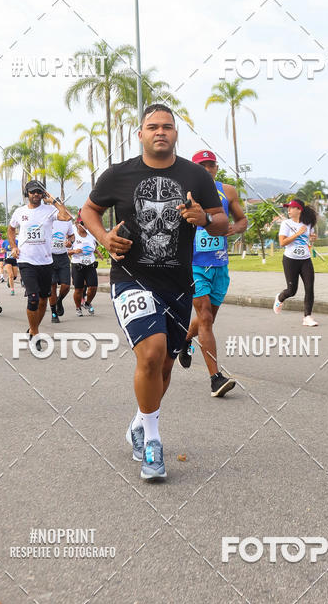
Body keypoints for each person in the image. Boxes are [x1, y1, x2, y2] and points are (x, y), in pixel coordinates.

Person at [81, 103, 227, 481]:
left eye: (167, 127)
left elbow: (224, 221)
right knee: (152, 352)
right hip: (131, 277)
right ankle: (153, 442)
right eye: (153, 127)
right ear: (141, 134)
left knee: (163, 366)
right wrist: (104, 238)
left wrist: (206, 219)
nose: (160, 132)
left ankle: (139, 423)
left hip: (178, 283)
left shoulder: (196, 175)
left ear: (175, 134)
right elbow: (88, 211)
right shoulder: (118, 175)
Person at [178, 149, 247, 397]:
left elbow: (242, 220)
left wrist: (232, 228)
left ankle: (185, 340)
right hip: (194, 265)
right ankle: (215, 379)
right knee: (205, 317)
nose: (207, 169)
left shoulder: (227, 191)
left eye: (211, 165)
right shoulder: (183, 192)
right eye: (202, 166)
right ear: (194, 169)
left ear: (217, 168)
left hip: (220, 265)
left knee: (207, 319)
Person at [7, 181, 73, 346]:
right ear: (27, 194)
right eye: (32, 192)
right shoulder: (19, 212)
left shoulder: (50, 210)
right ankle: (35, 333)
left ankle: (32, 328)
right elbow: (10, 229)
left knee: (44, 299)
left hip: (46, 261)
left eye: (39, 191)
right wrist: (14, 246)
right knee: (34, 299)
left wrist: (55, 201)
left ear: (43, 194)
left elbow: (66, 217)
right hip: (26, 261)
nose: (35, 194)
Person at [273, 199, 319, 326]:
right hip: (290, 260)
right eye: (288, 208)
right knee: (292, 290)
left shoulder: (308, 224)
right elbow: (282, 243)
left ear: (299, 209)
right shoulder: (286, 224)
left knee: (309, 288)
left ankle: (307, 317)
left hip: (305, 260)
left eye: (291, 208)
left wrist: (312, 238)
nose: (288, 210)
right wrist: (298, 234)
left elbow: (310, 239)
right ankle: (280, 298)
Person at [68, 215, 99, 317]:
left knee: (93, 287)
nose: (84, 225)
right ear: (77, 224)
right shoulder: (73, 235)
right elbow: (67, 251)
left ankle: (87, 303)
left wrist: (98, 252)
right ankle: (78, 307)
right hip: (78, 264)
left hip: (90, 264)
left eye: (86, 223)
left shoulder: (91, 235)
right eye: (82, 223)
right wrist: (74, 251)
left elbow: (94, 246)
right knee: (79, 289)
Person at [50, 213, 75, 323]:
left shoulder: (67, 221)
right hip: (49, 257)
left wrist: (70, 242)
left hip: (63, 257)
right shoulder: (48, 218)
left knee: (66, 286)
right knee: (52, 286)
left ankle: (59, 301)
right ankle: (54, 313)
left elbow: (72, 236)